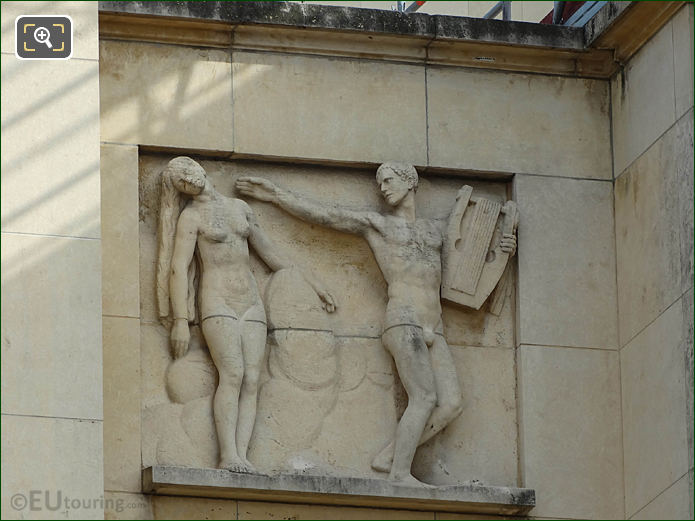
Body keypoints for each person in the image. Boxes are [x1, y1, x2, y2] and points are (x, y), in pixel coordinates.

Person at [236, 161, 516, 486]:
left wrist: (502, 248)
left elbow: (471, 257)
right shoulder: (378, 225)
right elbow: (325, 214)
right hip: (404, 320)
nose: (383, 188)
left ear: (410, 182)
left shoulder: (435, 229)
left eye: (389, 181)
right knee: (424, 397)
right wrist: (275, 195)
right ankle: (400, 473)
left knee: (451, 404)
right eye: (380, 183)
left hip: (434, 325)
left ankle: (389, 457)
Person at [157, 156, 336, 473]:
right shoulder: (191, 217)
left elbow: (271, 253)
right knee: (233, 373)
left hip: (251, 300)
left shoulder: (240, 208)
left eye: (188, 171)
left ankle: (242, 456)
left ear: (200, 168)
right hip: (217, 299)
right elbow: (178, 268)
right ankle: (228, 455)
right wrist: (181, 321)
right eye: (181, 181)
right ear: (180, 190)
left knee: (252, 379)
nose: (189, 179)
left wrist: (314, 284)